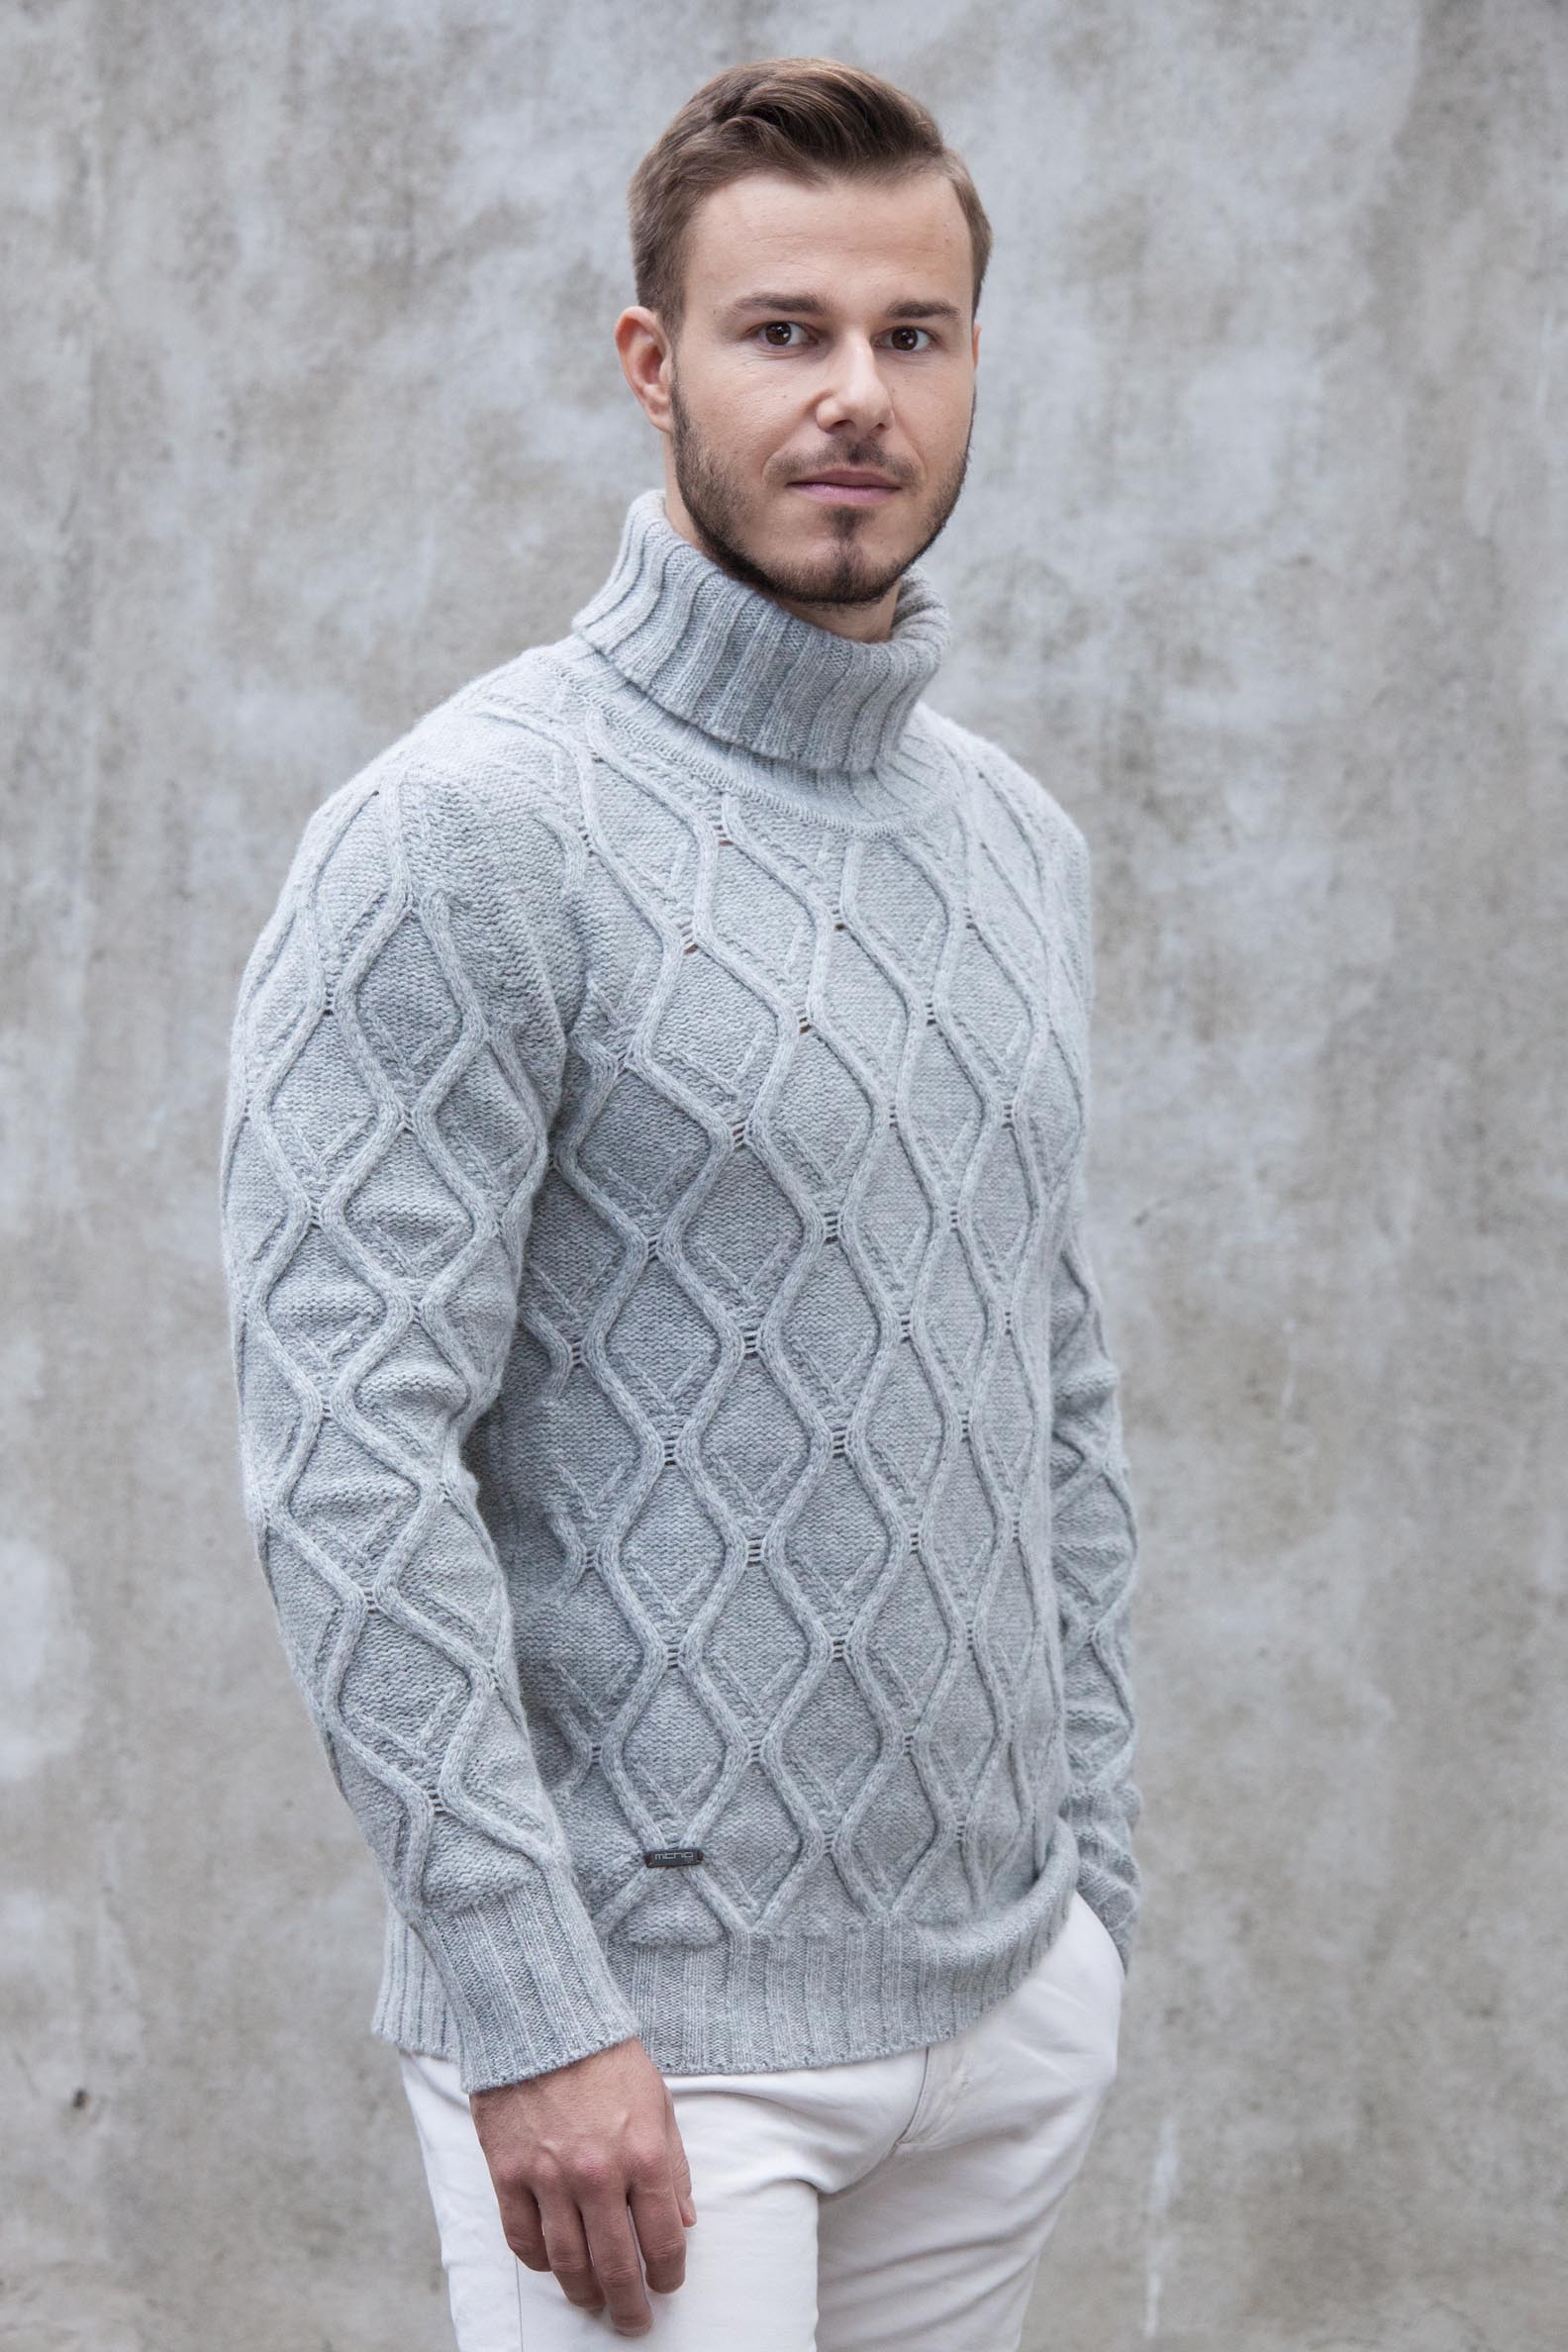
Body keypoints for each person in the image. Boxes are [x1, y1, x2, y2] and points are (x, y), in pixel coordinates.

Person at [217, 52, 1142, 2352]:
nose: (856, 398)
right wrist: (529, 2007)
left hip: (1003, 2014)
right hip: (654, 2063)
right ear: (655, 363)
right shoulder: (465, 833)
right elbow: (347, 1456)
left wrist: (1090, 1905)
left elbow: (1051, 1381)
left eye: (913, 335)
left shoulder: (1016, 843)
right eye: (783, 331)